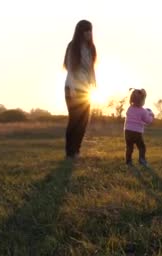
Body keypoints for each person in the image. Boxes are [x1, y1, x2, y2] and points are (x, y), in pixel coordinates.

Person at [63, 20, 96, 159]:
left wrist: (94, 83)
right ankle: (70, 151)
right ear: (80, 32)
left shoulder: (91, 48)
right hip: (72, 88)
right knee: (74, 120)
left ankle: (76, 150)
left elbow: (91, 68)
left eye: (90, 30)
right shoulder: (73, 46)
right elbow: (70, 68)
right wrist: (71, 89)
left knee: (83, 121)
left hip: (86, 90)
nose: (89, 33)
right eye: (86, 30)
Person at [124, 89, 154, 166]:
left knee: (129, 147)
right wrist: (151, 115)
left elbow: (134, 117)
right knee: (141, 147)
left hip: (127, 131)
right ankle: (142, 160)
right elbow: (148, 121)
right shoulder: (143, 111)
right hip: (137, 132)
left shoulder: (130, 108)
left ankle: (128, 161)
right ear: (142, 101)